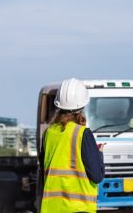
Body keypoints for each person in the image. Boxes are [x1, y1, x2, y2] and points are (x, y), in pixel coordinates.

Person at [38, 78, 105, 213]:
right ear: (82, 106)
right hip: (79, 208)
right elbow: (97, 176)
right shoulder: (82, 134)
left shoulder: (49, 133)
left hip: (52, 209)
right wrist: (99, 154)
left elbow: (44, 169)